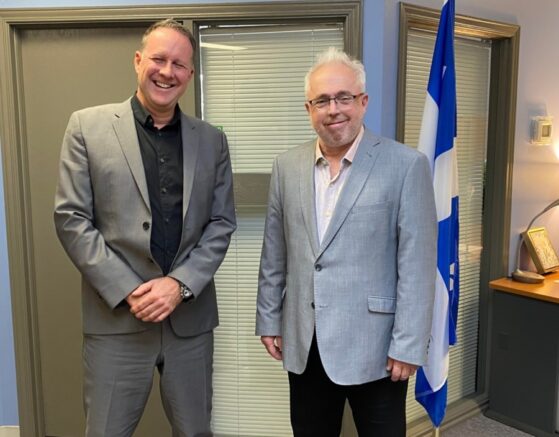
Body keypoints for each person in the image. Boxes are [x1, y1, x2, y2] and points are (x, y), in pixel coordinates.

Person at [54, 19, 236, 437]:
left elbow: (221, 222)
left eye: (179, 64)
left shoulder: (212, 141)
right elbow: (71, 217)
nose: (167, 71)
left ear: (190, 74)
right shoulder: (86, 127)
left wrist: (179, 286)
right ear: (138, 61)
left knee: (196, 431)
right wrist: (129, 289)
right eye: (158, 59)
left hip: (189, 323)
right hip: (117, 320)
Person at [255, 47, 437, 436]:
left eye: (344, 98)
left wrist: (408, 344)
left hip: (379, 349)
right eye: (322, 100)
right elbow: (275, 253)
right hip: (306, 342)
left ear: (363, 102)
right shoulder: (286, 166)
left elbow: (417, 265)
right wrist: (269, 319)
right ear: (309, 109)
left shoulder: (406, 166)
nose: (333, 109)